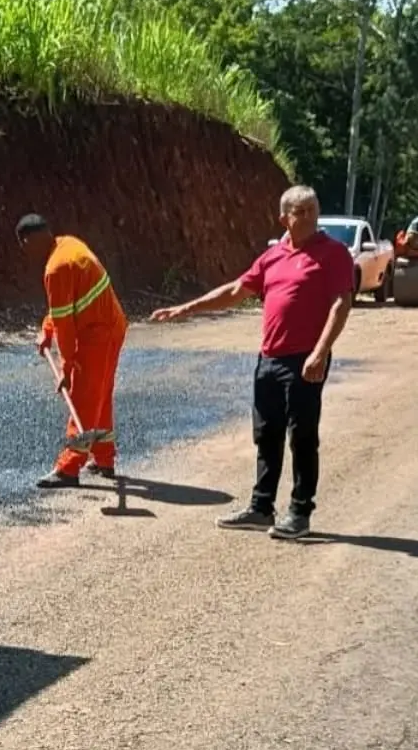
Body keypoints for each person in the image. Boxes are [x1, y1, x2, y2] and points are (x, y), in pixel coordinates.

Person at [150, 185, 353, 539]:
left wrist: (320, 352)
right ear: (283, 218)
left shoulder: (333, 254)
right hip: (269, 359)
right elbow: (234, 291)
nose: (308, 217)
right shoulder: (272, 257)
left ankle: (300, 513)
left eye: (312, 209)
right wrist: (186, 308)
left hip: (306, 359)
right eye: (299, 211)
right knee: (266, 435)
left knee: (302, 436)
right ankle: (261, 507)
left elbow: (341, 303)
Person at [17, 214, 128, 489]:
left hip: (99, 333)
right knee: (100, 393)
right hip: (112, 324)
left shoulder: (56, 268)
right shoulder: (68, 244)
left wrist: (67, 368)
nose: (26, 253)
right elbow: (63, 309)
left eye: (24, 246)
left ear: (29, 241)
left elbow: (66, 326)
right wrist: (47, 330)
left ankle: (69, 467)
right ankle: (104, 458)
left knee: (83, 397)